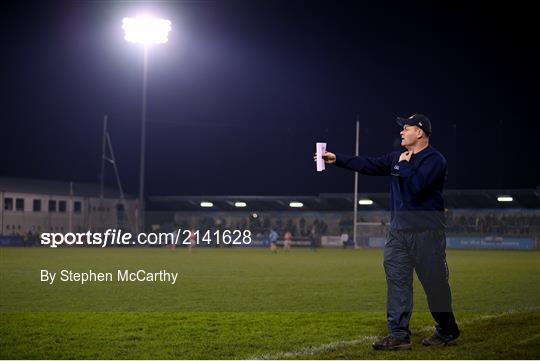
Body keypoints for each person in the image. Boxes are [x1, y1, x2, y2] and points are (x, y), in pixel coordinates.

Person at [316, 114, 459, 350]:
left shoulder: (435, 160)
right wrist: (337, 159)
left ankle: (447, 329)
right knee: (397, 283)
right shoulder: (395, 158)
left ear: (420, 132)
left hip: (427, 234)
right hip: (398, 234)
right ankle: (399, 335)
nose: (401, 132)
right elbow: (368, 164)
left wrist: (403, 166)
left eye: (406, 128)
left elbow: (417, 187)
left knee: (435, 286)